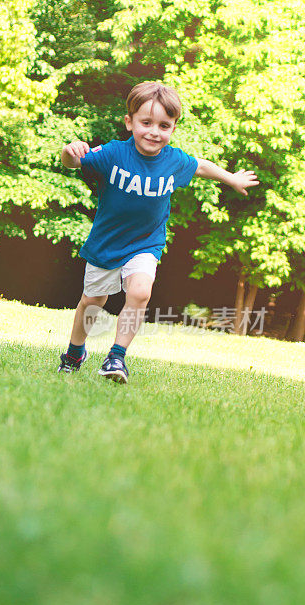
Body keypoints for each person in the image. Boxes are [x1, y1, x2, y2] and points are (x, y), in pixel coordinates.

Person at [57, 81, 258, 383]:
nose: (154, 131)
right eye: (146, 122)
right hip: (106, 243)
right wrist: (69, 151)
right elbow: (74, 163)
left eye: (164, 125)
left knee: (140, 292)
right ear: (130, 122)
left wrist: (231, 178)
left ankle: (116, 357)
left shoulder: (173, 161)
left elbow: (201, 166)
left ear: (173, 128)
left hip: (145, 243)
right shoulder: (113, 154)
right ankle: (75, 351)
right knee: (92, 302)